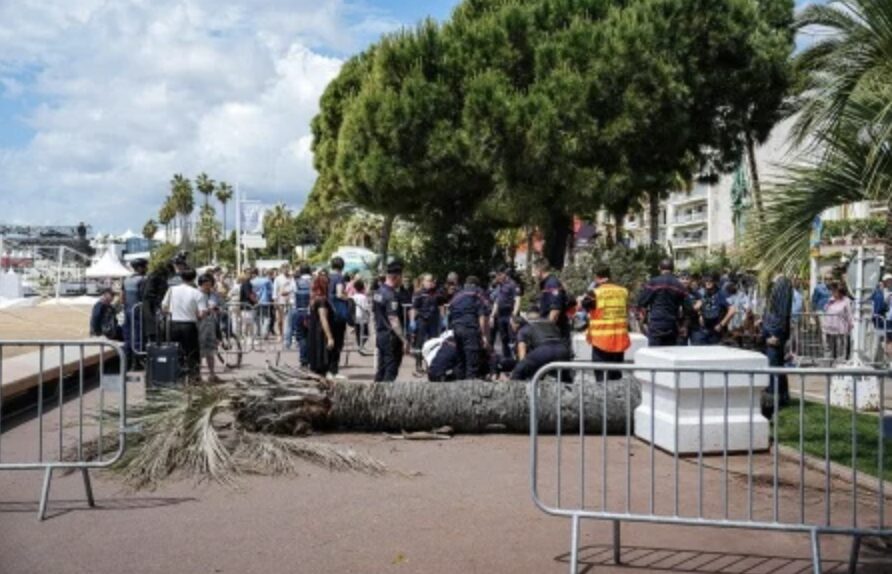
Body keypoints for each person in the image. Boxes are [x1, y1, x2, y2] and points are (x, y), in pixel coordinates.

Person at [581, 266, 630, 380]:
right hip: (619, 341)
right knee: (616, 377)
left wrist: (589, 291)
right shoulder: (623, 291)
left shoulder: (595, 293)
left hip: (601, 342)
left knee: (602, 379)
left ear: (596, 277)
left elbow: (584, 305)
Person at [161, 268, 206, 381]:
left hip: (174, 324)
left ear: (181, 277)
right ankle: (194, 377)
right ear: (194, 278)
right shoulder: (197, 293)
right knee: (192, 352)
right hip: (189, 325)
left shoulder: (172, 290)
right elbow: (202, 313)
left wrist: (171, 312)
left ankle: (176, 376)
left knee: (176, 351)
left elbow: (164, 306)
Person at [637, 259, 689, 346]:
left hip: (656, 324)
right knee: (669, 352)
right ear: (673, 269)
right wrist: (684, 325)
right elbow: (688, 308)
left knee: (655, 352)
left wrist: (641, 322)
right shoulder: (679, 285)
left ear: (659, 268)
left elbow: (641, 302)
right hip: (672, 324)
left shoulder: (653, 283)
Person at [448, 276, 490, 380]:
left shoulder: (457, 295)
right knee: (472, 357)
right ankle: (470, 384)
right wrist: (484, 335)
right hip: (469, 327)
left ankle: (459, 382)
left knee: (460, 357)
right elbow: (482, 315)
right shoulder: (477, 293)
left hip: (456, 328)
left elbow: (450, 311)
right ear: (476, 285)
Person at [762, 272, 793, 409]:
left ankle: (774, 397)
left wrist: (777, 335)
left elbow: (782, 312)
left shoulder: (783, 283)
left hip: (775, 331)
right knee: (776, 365)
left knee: (774, 365)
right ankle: (781, 396)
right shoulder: (777, 283)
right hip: (772, 329)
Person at [510, 311, 572, 381]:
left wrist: (520, 368)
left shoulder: (524, 328)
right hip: (562, 350)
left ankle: (514, 387)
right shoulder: (550, 324)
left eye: (512, 325)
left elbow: (522, 354)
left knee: (519, 370)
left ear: (516, 324)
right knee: (564, 378)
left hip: (544, 349)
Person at [373, 262, 408, 382]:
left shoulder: (378, 292)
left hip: (381, 334)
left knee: (381, 370)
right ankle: (386, 394)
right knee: (390, 371)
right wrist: (404, 339)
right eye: (401, 277)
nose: (402, 280)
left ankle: (376, 392)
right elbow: (393, 320)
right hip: (391, 337)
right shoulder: (391, 295)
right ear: (396, 277)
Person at [690, 273, 734, 345]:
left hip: (716, 330)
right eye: (706, 280)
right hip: (703, 329)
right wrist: (699, 314)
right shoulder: (702, 293)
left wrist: (721, 324)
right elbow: (696, 306)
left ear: (715, 281)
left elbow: (732, 310)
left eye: (710, 280)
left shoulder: (721, 294)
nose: (708, 282)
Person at [411, 274, 443, 371]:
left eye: (431, 281)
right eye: (428, 281)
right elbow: (414, 308)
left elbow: (441, 305)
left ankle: (430, 365)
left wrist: (443, 318)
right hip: (422, 320)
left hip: (433, 321)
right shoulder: (419, 293)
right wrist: (412, 321)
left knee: (433, 343)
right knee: (419, 343)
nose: (430, 283)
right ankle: (418, 364)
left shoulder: (436, 293)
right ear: (423, 282)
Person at [534, 262, 570, 343]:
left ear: (540, 270)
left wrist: (548, 332)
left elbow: (555, 310)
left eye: (535, 271)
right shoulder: (545, 283)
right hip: (550, 328)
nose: (534, 274)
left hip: (556, 331)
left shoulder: (552, 283)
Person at [121, 258, 148, 366]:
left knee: (128, 336)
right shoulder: (143, 280)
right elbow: (144, 297)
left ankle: (127, 360)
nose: (146, 268)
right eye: (145, 266)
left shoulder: (126, 280)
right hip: (138, 311)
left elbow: (122, 297)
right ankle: (137, 361)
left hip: (127, 311)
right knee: (138, 336)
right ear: (140, 268)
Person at [490, 266, 520, 358]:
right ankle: (507, 360)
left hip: (510, 315)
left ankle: (515, 359)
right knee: (504, 339)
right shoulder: (500, 286)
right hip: (501, 315)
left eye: (498, 275)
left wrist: (513, 316)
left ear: (503, 274)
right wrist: (492, 316)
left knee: (512, 339)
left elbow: (517, 300)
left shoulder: (512, 284)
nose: (497, 278)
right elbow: (497, 301)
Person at [327, 257, 350, 377]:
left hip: (326, 311)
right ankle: (333, 370)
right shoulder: (339, 278)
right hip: (338, 313)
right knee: (337, 341)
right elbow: (339, 294)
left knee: (328, 339)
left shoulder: (327, 277)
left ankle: (326, 369)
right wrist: (349, 299)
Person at [197, 273, 222, 383]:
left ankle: (212, 374)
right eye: (205, 284)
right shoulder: (196, 294)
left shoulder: (214, 294)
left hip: (211, 326)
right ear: (201, 284)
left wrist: (217, 309)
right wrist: (208, 310)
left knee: (211, 351)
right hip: (199, 326)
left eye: (210, 284)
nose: (208, 287)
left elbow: (219, 306)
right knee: (198, 351)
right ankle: (197, 375)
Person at [822, 285, 853, 362]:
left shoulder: (846, 300)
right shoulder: (831, 299)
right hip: (830, 326)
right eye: (833, 291)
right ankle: (831, 360)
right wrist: (829, 302)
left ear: (840, 292)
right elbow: (825, 309)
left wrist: (851, 323)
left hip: (841, 327)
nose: (833, 293)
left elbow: (849, 313)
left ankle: (841, 360)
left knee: (841, 345)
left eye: (835, 292)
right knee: (831, 345)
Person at [291, 264, 313, 367]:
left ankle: (303, 359)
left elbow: (292, 297)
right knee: (312, 336)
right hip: (312, 312)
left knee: (302, 336)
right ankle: (312, 358)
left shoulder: (296, 282)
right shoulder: (314, 281)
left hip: (299, 311)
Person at [251, 268, 274, 339]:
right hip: (265, 301)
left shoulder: (252, 281)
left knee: (257, 318)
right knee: (266, 318)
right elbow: (271, 291)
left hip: (255, 301)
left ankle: (258, 332)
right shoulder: (267, 281)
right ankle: (264, 333)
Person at [274, 264, 293, 342]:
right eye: (284, 268)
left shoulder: (291, 278)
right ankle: (280, 334)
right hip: (280, 301)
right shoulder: (278, 278)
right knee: (279, 320)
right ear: (282, 269)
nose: (286, 270)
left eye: (287, 268)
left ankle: (288, 336)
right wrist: (275, 300)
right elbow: (275, 290)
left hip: (290, 301)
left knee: (289, 320)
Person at [351, 279, 371, 350]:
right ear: (363, 288)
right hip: (363, 317)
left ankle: (359, 345)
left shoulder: (352, 297)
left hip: (355, 317)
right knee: (366, 333)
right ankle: (361, 345)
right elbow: (366, 308)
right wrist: (369, 315)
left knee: (358, 332)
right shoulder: (363, 297)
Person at [238, 270, 258, 340]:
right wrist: (255, 301)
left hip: (248, 306)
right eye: (248, 274)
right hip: (247, 307)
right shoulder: (246, 283)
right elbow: (249, 294)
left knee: (248, 323)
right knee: (248, 324)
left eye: (251, 273)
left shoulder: (248, 283)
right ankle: (247, 338)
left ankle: (246, 338)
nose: (250, 275)